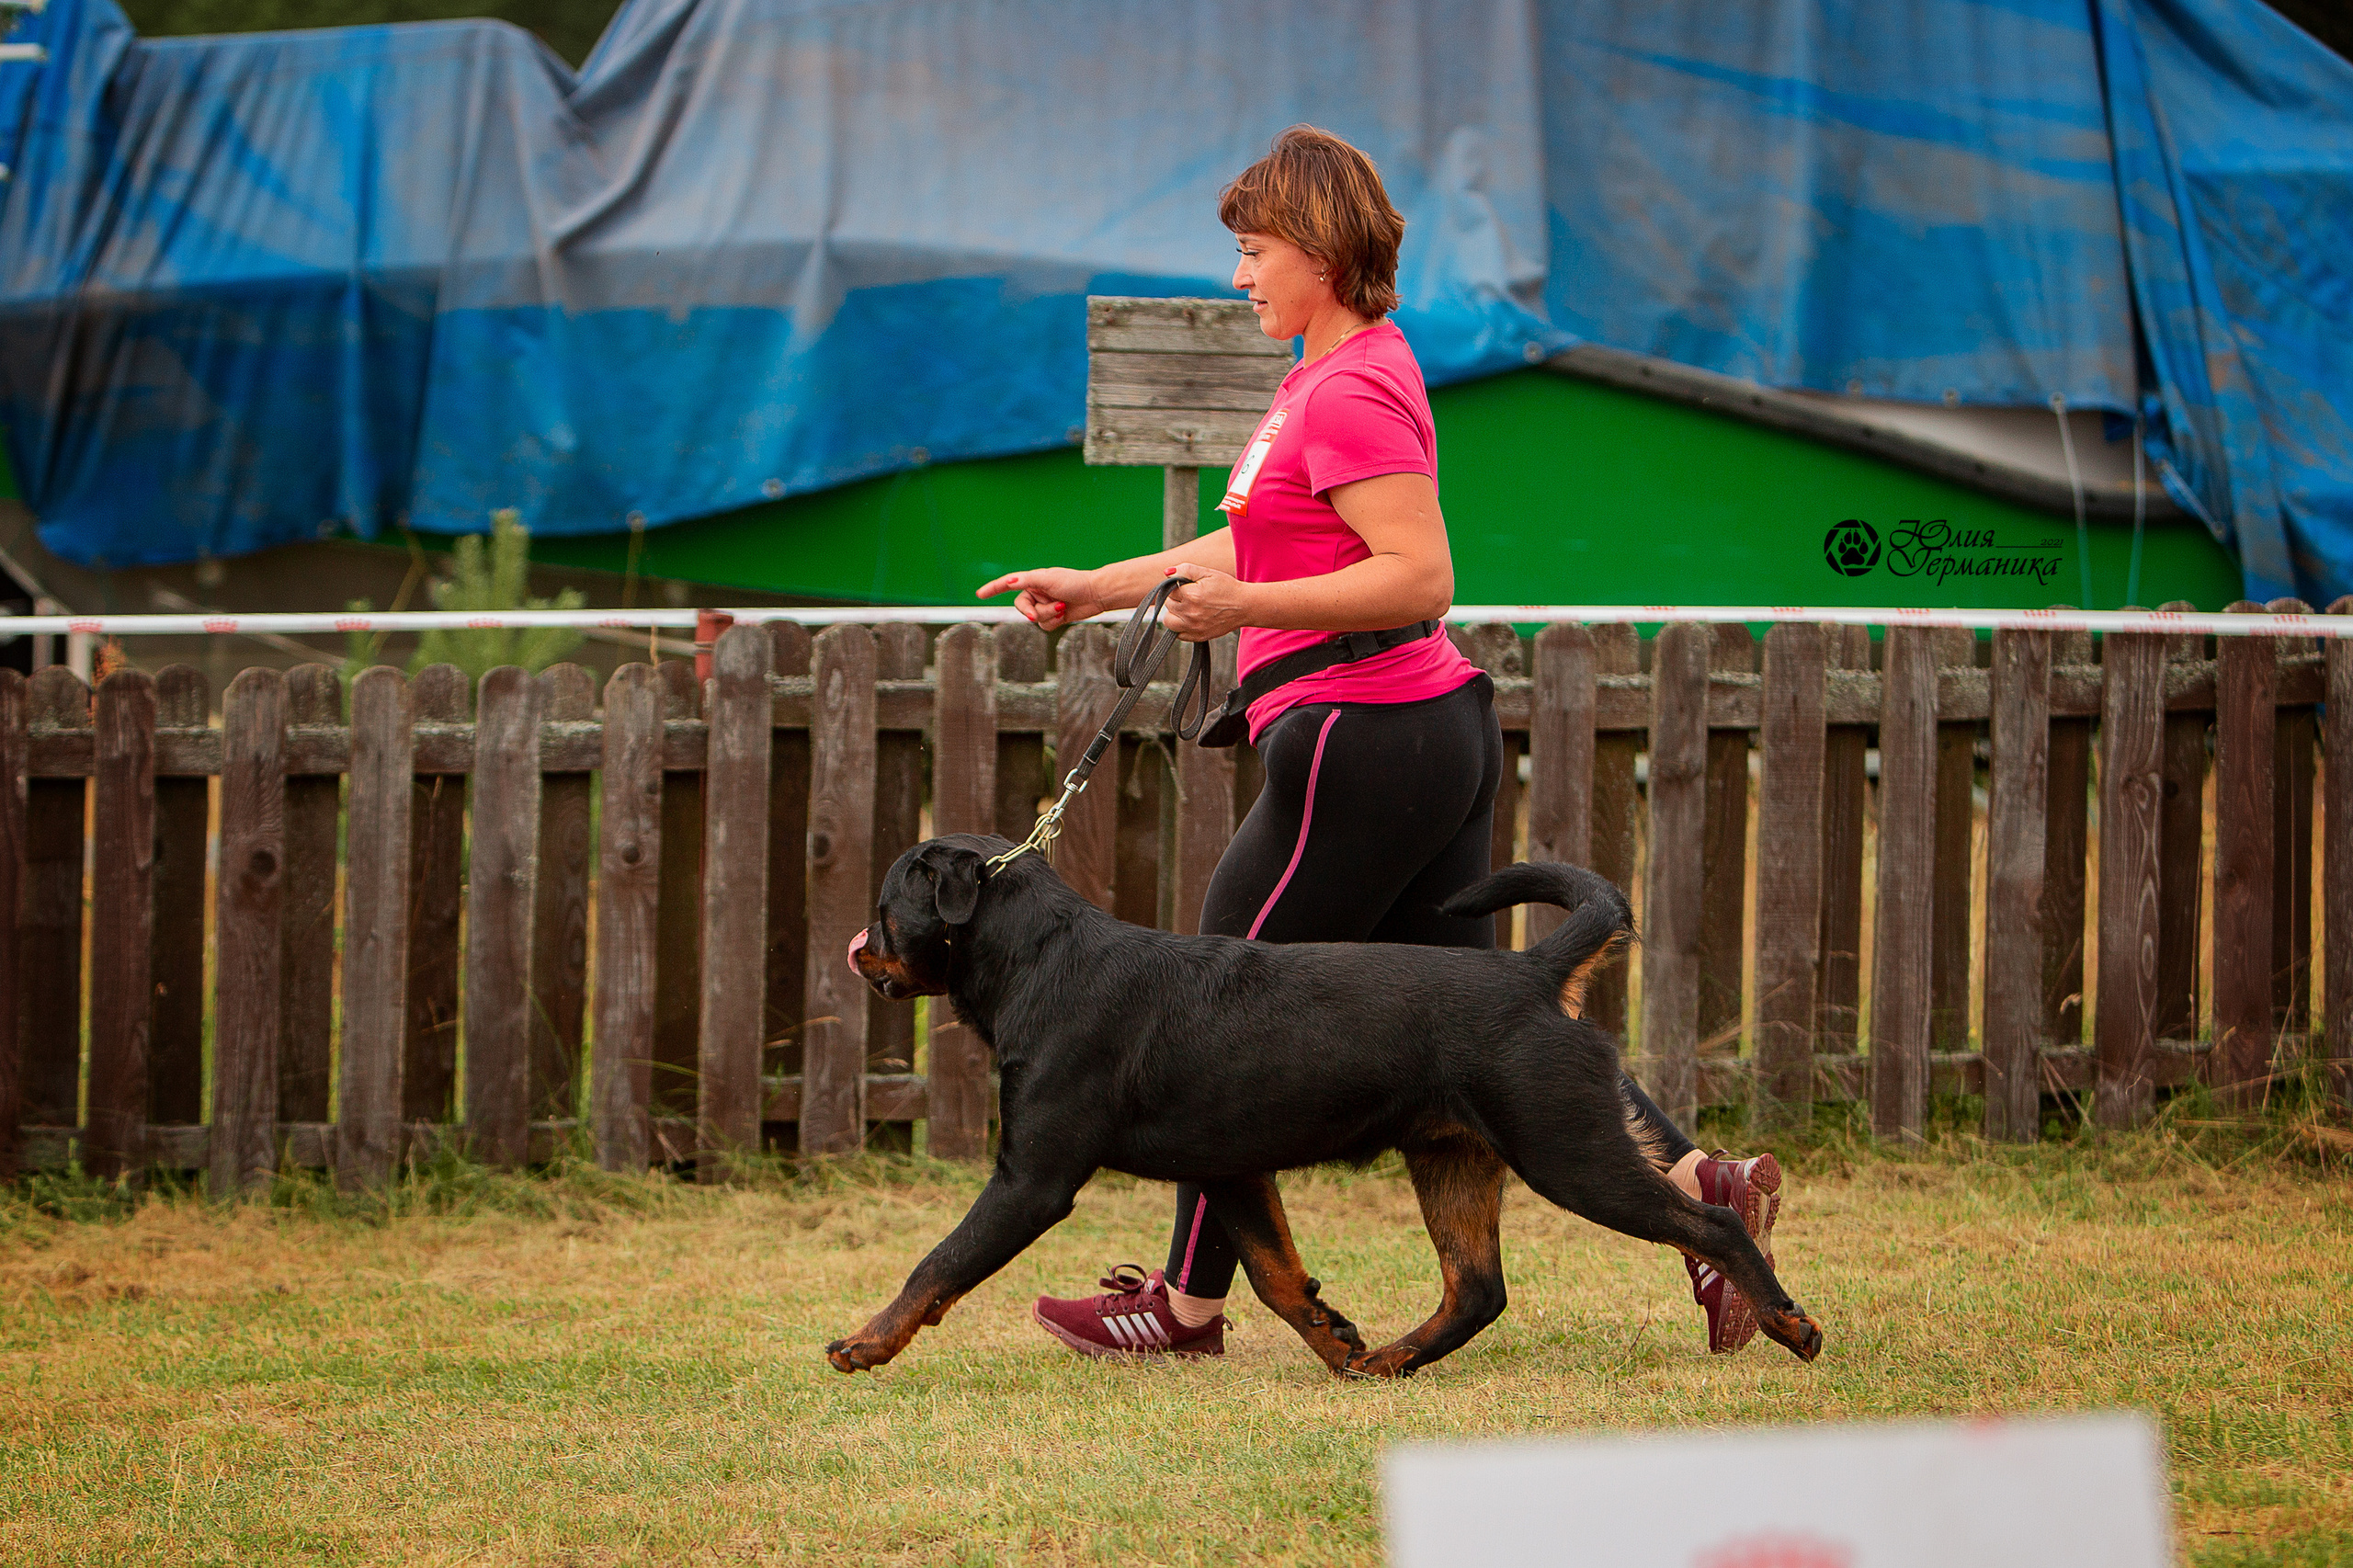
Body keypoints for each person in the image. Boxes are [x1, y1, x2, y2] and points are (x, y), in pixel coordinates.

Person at [976, 126, 1781, 1360]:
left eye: (1252, 252)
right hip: (1418, 736)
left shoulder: (1346, 387)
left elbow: (1417, 575)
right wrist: (1102, 586)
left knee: (1205, 1016)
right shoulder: (1331, 372)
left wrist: (1243, 615)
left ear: (1320, 250)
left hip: (1364, 738)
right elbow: (1268, 548)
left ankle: (1186, 1304)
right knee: (1494, 1019)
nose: (1239, 276)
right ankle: (1701, 1188)